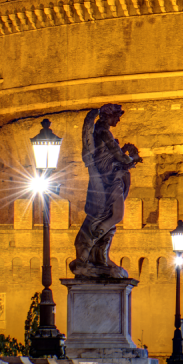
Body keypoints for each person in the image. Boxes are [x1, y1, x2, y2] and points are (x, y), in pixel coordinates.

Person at [71, 104, 141, 278]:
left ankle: (100, 257)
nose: (118, 119)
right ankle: (88, 250)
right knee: (116, 215)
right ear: (107, 116)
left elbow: (114, 154)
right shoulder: (103, 132)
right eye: (116, 116)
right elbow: (118, 156)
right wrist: (132, 157)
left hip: (111, 176)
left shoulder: (101, 132)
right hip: (108, 179)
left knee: (110, 217)